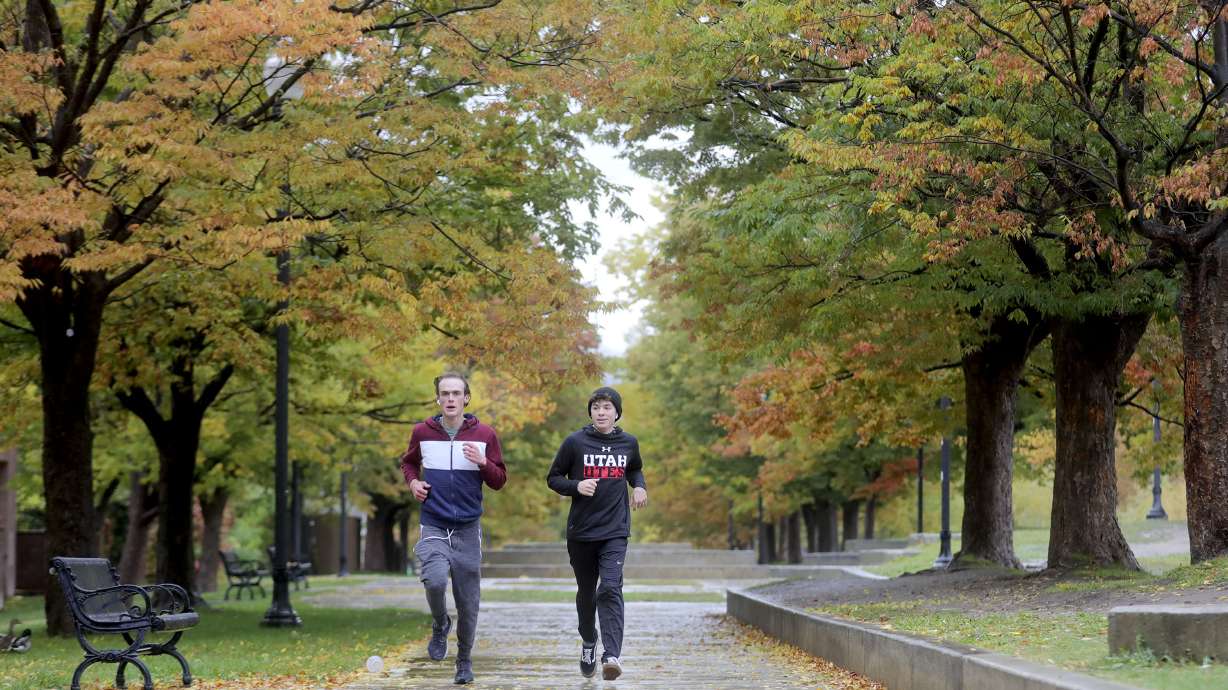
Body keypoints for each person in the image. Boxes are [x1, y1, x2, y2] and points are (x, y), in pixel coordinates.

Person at [400, 372, 507, 685]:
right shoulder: (422, 432)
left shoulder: (485, 434)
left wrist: (483, 462)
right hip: (433, 522)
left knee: (468, 601)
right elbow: (408, 463)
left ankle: (464, 661)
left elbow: (499, 480)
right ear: (437, 398)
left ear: (466, 398)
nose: (450, 399)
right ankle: (439, 623)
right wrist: (414, 483)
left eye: (456, 393)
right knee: (433, 581)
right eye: (444, 393)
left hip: (467, 528)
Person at [546, 386, 648, 681]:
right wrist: (576, 486)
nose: (601, 412)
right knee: (587, 594)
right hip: (582, 531)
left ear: (617, 413)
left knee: (611, 588)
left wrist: (639, 486)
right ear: (590, 412)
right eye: (596, 407)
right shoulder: (575, 442)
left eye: (607, 407)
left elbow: (635, 469)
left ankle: (611, 655)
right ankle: (589, 641)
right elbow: (553, 478)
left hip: (615, 530)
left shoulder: (629, 443)